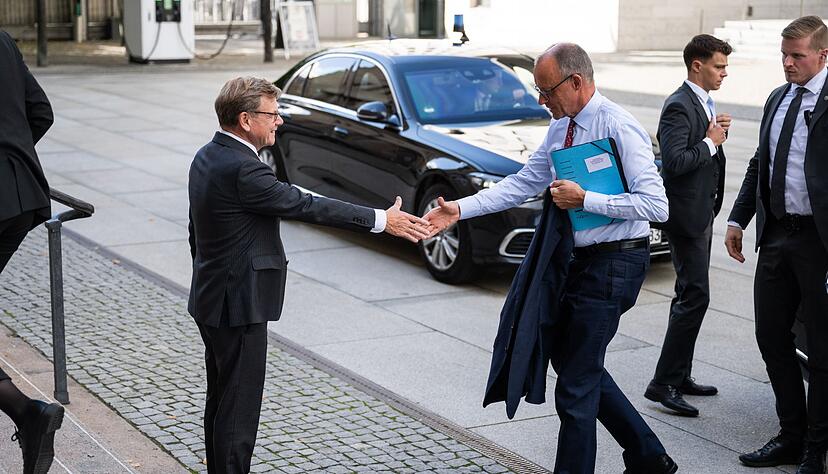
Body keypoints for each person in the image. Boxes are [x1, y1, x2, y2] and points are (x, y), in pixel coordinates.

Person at [425, 43, 676, 474]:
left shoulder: (618, 125)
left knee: (575, 386)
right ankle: (648, 455)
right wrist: (459, 210)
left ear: (576, 82)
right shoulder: (560, 129)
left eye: (547, 91)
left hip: (617, 262)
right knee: (576, 364)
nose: (543, 102)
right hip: (576, 262)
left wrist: (588, 198)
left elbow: (657, 206)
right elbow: (522, 182)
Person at [188, 76, 430, 473]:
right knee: (238, 412)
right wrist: (381, 220)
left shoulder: (207, 155)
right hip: (239, 306)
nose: (279, 121)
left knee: (221, 400)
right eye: (273, 114)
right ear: (246, 119)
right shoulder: (245, 170)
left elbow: (196, 231)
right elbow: (305, 205)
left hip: (212, 298)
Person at [725, 16, 828, 474]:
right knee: (771, 336)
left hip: (820, 243)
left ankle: (816, 447)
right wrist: (738, 217)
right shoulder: (777, 97)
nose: (787, 63)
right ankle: (791, 433)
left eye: (797, 56)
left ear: (823, 55)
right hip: (777, 237)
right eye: (783, 55)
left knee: (824, 351)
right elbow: (760, 162)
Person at [645, 34, 732, 417]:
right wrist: (712, 142)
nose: (724, 73)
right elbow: (675, 162)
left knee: (687, 294)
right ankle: (663, 383)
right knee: (695, 296)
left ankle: (679, 375)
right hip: (685, 217)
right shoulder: (679, 106)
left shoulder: (702, 103)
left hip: (699, 213)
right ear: (697, 65)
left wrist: (716, 135)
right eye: (718, 66)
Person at [0, 30, 65, 474]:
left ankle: (28, 412)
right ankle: (29, 414)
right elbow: (41, 111)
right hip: (23, 192)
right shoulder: (1, 39)